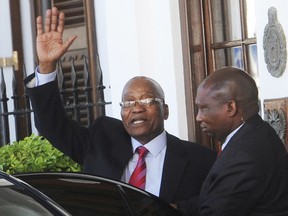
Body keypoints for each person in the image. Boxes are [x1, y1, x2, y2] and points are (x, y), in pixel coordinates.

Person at [24, 7, 217, 214]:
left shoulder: (200, 160)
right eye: (128, 103)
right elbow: (52, 126)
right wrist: (46, 66)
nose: (136, 108)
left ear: (165, 111)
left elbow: (215, 205)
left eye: (147, 100)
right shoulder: (101, 143)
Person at [194, 67, 288, 215]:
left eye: (203, 108)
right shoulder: (259, 132)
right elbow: (213, 198)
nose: (198, 117)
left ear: (231, 108)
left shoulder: (243, 156)